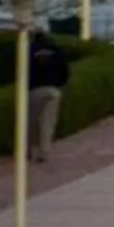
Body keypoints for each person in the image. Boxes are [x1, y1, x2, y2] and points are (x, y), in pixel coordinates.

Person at [24, 27, 71, 165]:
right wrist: (59, 84)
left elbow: (24, 71)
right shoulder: (56, 50)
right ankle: (44, 152)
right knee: (47, 122)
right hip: (53, 90)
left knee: (31, 122)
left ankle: (29, 150)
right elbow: (65, 71)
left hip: (34, 91)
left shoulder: (29, 50)